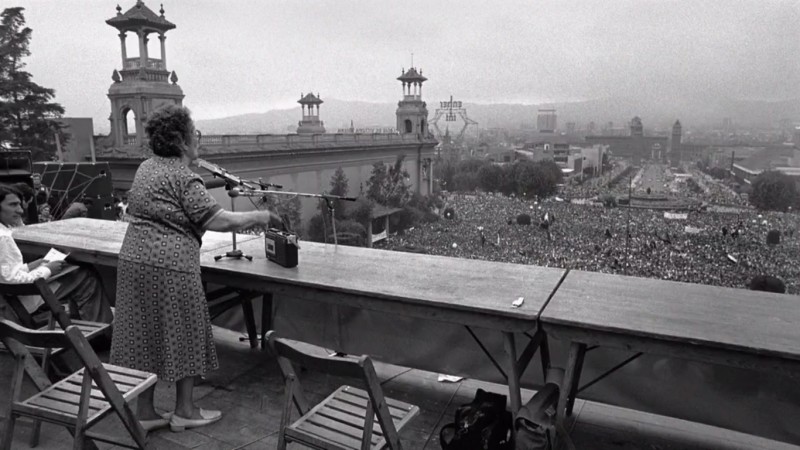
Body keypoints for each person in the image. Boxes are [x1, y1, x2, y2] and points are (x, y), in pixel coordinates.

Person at [110, 105, 279, 432]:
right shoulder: (184, 176)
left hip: (133, 260)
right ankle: (184, 410)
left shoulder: (146, 167)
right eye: (194, 132)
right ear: (182, 140)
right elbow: (216, 219)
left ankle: (144, 412)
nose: (196, 138)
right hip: (170, 266)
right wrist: (262, 217)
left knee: (145, 335)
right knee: (184, 332)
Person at [0, 184, 113, 324]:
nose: (20, 210)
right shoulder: (3, 237)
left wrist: (31, 266)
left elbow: (6, 272)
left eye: (19, 205)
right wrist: (47, 269)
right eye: (13, 205)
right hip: (18, 302)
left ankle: (85, 323)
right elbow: (13, 281)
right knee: (86, 276)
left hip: (11, 299)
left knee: (74, 269)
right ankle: (102, 335)